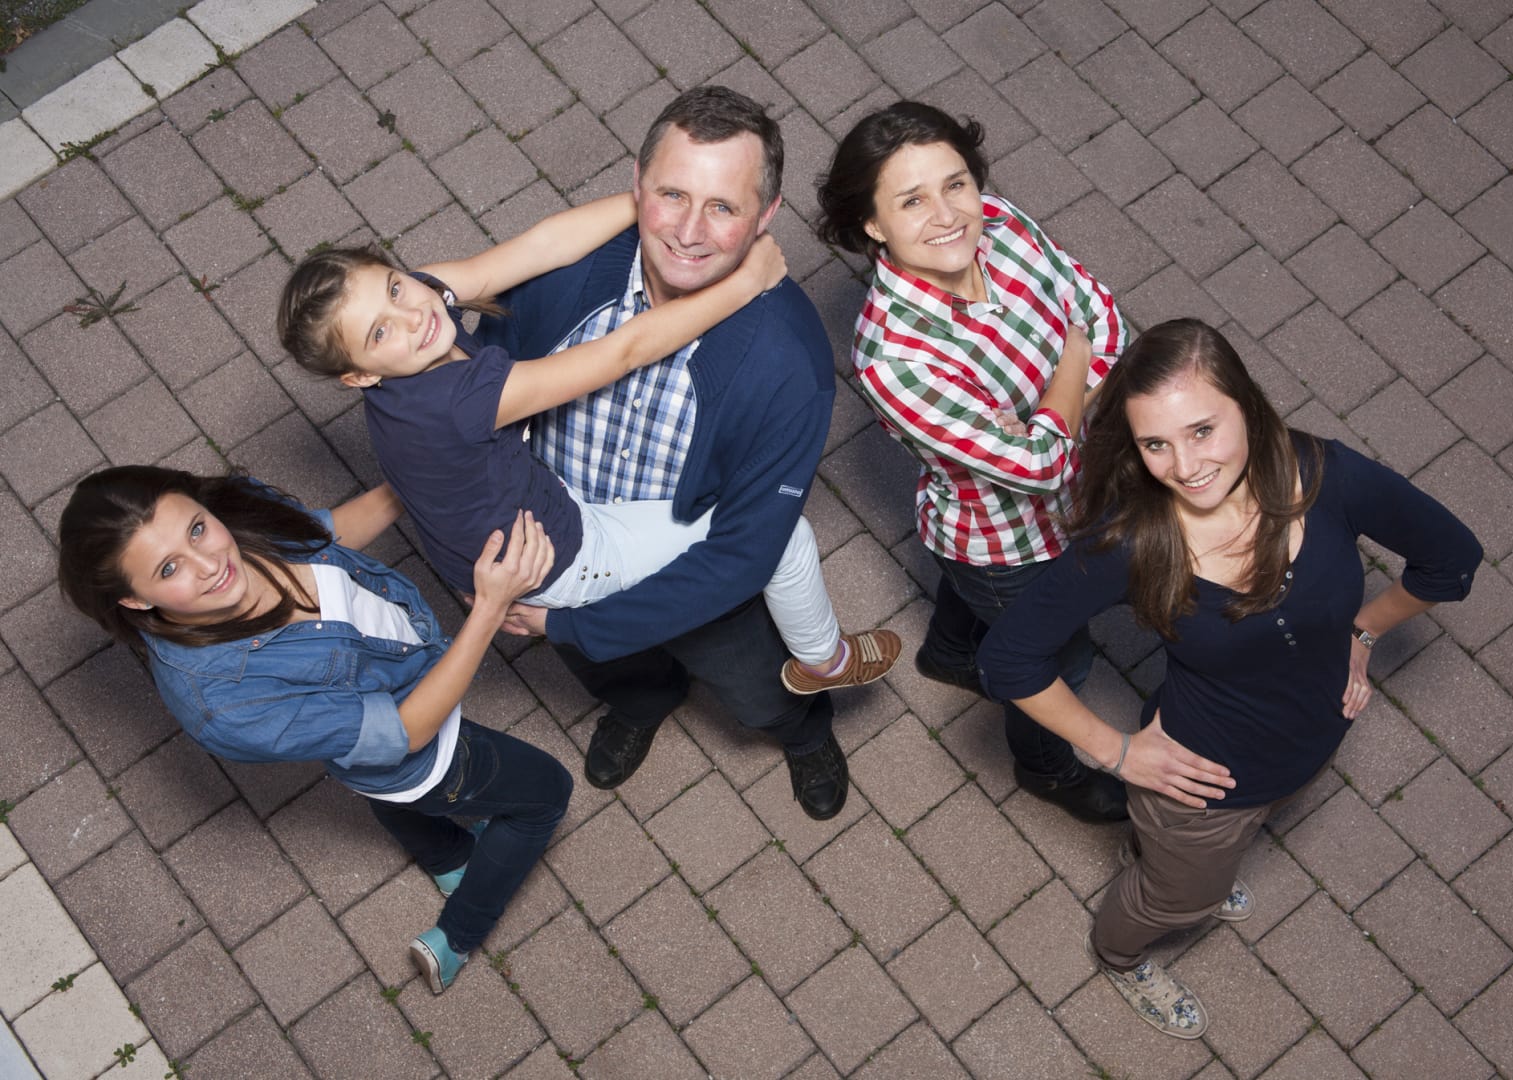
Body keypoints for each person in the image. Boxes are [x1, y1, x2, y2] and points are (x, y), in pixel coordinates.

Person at [978, 319, 1481, 1038]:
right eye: (1155, 444)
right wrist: (1116, 752)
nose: (1184, 466)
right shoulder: (1130, 543)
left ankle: (1167, 865)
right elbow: (1008, 658)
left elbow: (1451, 560)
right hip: (1201, 788)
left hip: (1310, 742)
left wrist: (1363, 631)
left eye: (1202, 430)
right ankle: (1123, 951)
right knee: (1174, 898)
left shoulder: (1325, 474)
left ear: (1245, 404)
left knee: (1196, 865)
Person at [278, 203, 897, 699]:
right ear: (359, 376)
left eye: (393, 286)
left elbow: (540, 246)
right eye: (379, 331)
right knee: (786, 539)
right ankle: (824, 661)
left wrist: (652, 202)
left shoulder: (419, 305)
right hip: (561, 557)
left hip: (511, 524)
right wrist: (747, 282)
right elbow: (622, 352)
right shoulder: (454, 400)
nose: (411, 315)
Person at [457, 85, 856, 820]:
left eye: (723, 207)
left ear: (766, 216)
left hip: (693, 566)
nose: (690, 232)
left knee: (756, 687)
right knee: (614, 670)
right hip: (565, 544)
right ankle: (642, 703)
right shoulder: (557, 278)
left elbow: (741, 555)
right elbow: (478, 403)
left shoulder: (791, 361)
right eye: (673, 194)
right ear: (636, 184)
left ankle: (802, 733)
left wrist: (564, 626)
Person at [57, 466, 574, 994]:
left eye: (197, 529)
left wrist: (423, 469)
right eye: (169, 569)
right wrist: (489, 609)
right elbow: (406, 732)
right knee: (546, 793)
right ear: (134, 600)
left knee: (383, 791)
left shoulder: (237, 512)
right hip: (421, 749)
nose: (211, 564)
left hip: (366, 742)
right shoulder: (222, 705)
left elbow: (323, 534)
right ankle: (459, 935)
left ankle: (451, 860)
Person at [814, 100, 1129, 824]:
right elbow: (1040, 467)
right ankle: (1047, 770)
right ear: (872, 224)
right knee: (1058, 665)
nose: (949, 214)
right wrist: (1073, 357)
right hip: (1007, 543)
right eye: (911, 200)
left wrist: (1054, 409)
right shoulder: (893, 358)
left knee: (980, 606)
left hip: (1080, 490)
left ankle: (951, 654)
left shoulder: (999, 222)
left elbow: (1104, 313)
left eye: (955, 184)